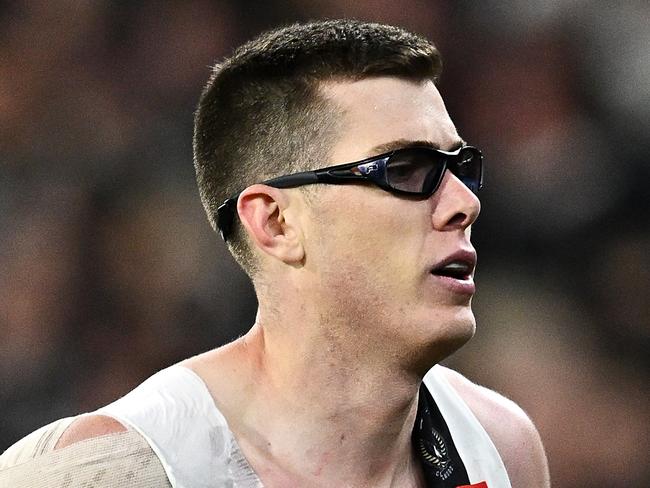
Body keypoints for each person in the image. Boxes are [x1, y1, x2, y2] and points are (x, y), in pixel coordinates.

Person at [0, 19, 550, 487]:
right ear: (276, 222)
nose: (464, 202)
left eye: (461, 167)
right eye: (404, 170)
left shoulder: (501, 449)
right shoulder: (107, 471)